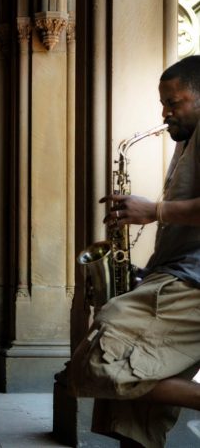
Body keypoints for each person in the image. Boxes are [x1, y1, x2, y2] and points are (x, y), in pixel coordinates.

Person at [69, 55, 200, 448]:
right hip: (174, 276)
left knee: (98, 358)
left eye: (174, 103)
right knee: (131, 419)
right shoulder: (187, 142)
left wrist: (154, 210)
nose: (165, 113)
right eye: (163, 103)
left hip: (189, 285)